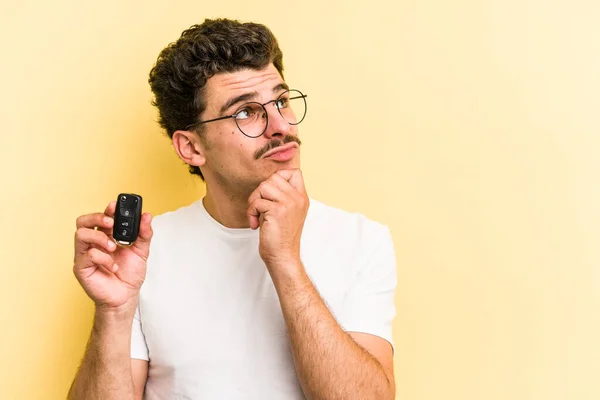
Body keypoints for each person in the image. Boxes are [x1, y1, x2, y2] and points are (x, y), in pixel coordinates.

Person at [68, 18, 397, 400]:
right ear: (191, 147)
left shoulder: (362, 240)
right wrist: (114, 311)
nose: (280, 126)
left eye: (281, 101)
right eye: (245, 112)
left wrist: (285, 261)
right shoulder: (143, 255)